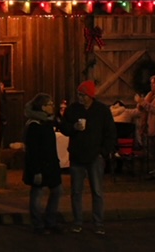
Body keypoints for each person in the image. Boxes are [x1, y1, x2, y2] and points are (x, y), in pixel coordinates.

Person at [60, 80, 116, 235]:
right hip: (77, 155)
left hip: (94, 157)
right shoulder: (73, 109)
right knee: (76, 191)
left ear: (91, 95)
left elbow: (110, 132)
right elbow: (63, 127)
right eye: (79, 94)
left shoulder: (101, 111)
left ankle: (98, 222)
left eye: (83, 95)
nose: (81, 98)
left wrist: (103, 152)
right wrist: (73, 128)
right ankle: (77, 222)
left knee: (97, 191)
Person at [22, 93, 62, 234]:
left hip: (51, 164)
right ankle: (38, 224)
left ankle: (50, 221)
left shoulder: (47, 122)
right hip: (40, 165)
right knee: (37, 193)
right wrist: (36, 170)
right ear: (43, 107)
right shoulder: (34, 125)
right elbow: (33, 150)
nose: (52, 106)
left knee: (56, 190)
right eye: (50, 104)